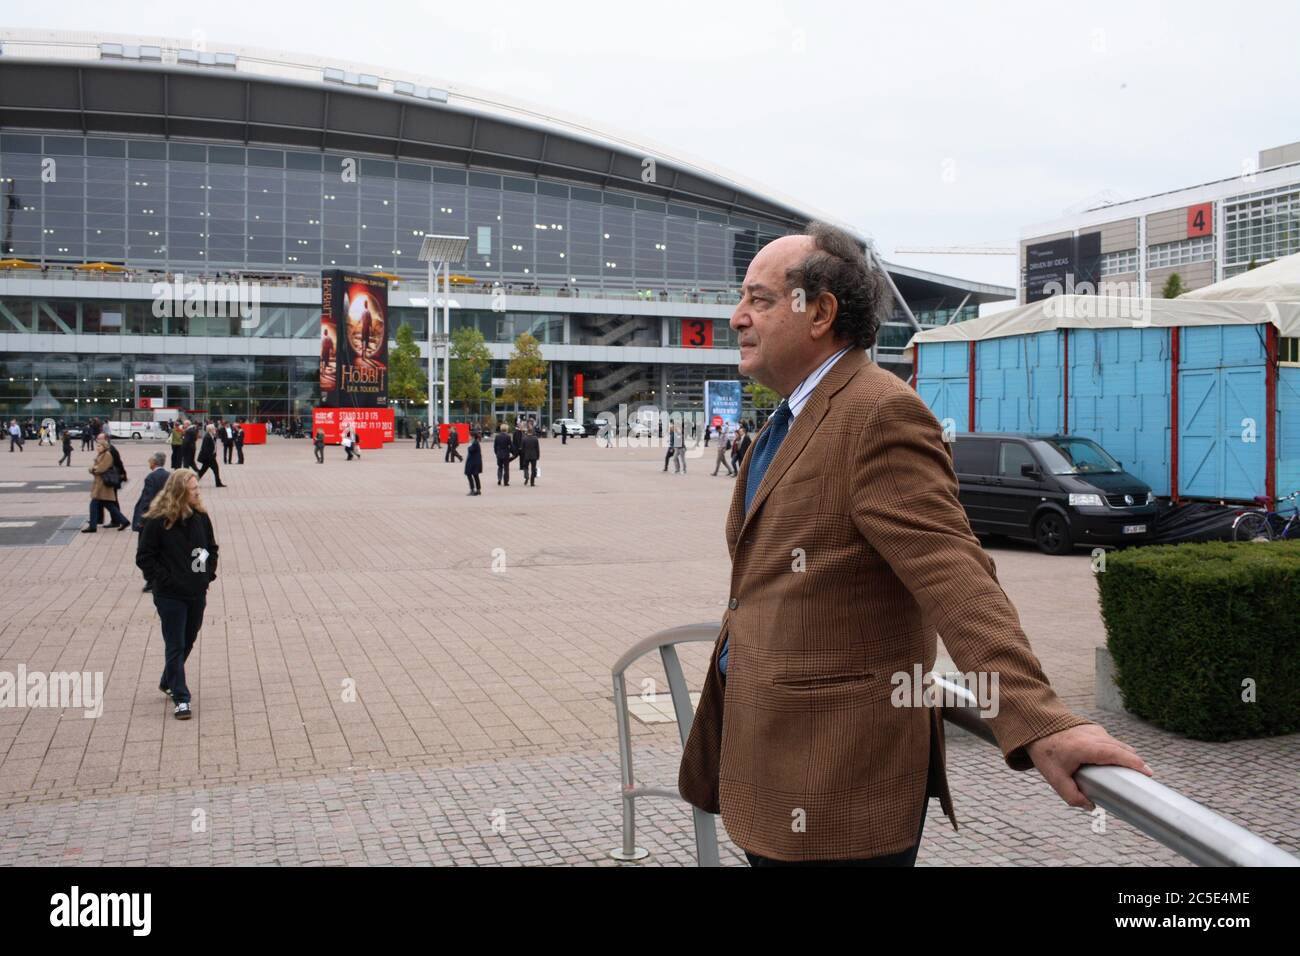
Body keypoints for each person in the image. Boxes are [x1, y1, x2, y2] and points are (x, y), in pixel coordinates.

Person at [676, 222, 1150, 867]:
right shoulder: (786, 421)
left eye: (758, 299)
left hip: (836, 778)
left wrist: (1040, 719)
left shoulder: (877, 414)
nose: (736, 318)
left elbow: (954, 577)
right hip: (769, 755)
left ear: (819, 312)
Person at [136, 468, 219, 720]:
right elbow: (144, 558)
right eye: (194, 490)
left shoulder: (200, 517)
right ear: (180, 492)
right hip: (170, 595)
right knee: (175, 643)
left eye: (197, 489)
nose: (198, 493)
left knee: (190, 637)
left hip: (196, 591)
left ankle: (167, 678)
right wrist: (165, 580)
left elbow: (211, 548)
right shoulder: (157, 521)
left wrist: (207, 574)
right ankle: (181, 697)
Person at [132, 454, 170, 592]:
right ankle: (155, 579)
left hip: (151, 518)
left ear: (154, 462)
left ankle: (151, 580)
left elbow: (146, 500)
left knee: (144, 549)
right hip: (165, 516)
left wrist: (141, 519)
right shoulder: (169, 475)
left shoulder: (151, 477)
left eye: (149, 460)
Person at [82, 434, 130, 533]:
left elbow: (100, 469)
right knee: (109, 505)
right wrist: (93, 468)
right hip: (101, 484)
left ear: (105, 444)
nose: (97, 447)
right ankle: (124, 521)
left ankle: (93, 526)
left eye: (99, 445)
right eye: (97, 445)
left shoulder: (107, 455)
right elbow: (96, 467)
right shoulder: (101, 454)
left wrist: (92, 469)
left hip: (103, 484)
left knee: (95, 504)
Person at [464, 431, 482, 496]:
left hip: (473, 463)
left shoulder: (474, 443)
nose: (469, 437)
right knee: (475, 475)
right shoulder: (475, 442)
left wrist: (469, 445)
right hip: (475, 462)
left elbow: (470, 450)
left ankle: (472, 489)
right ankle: (478, 489)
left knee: (469, 475)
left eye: (469, 436)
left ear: (473, 437)